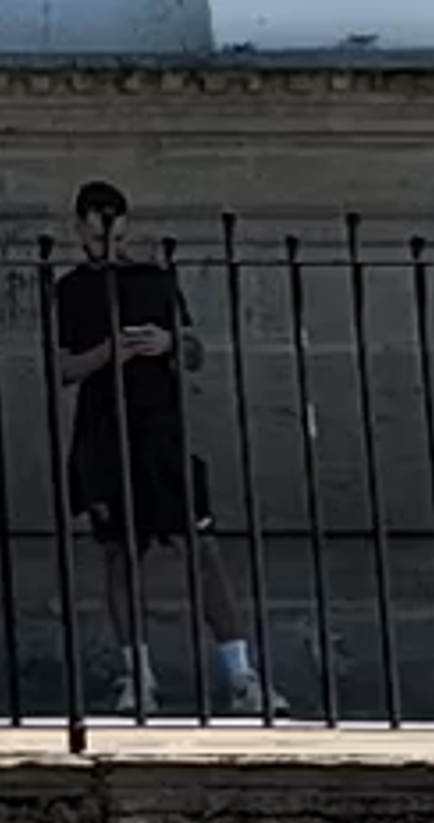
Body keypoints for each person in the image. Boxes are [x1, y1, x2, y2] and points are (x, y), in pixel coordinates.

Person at [53, 180, 277, 714]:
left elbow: (195, 350)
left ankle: (240, 674)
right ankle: (139, 675)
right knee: (120, 556)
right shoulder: (71, 289)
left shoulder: (154, 280)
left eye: (113, 225)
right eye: (95, 226)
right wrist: (108, 351)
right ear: (79, 228)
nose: (105, 237)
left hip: (163, 428)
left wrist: (167, 342)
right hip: (104, 431)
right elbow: (62, 367)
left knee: (202, 551)